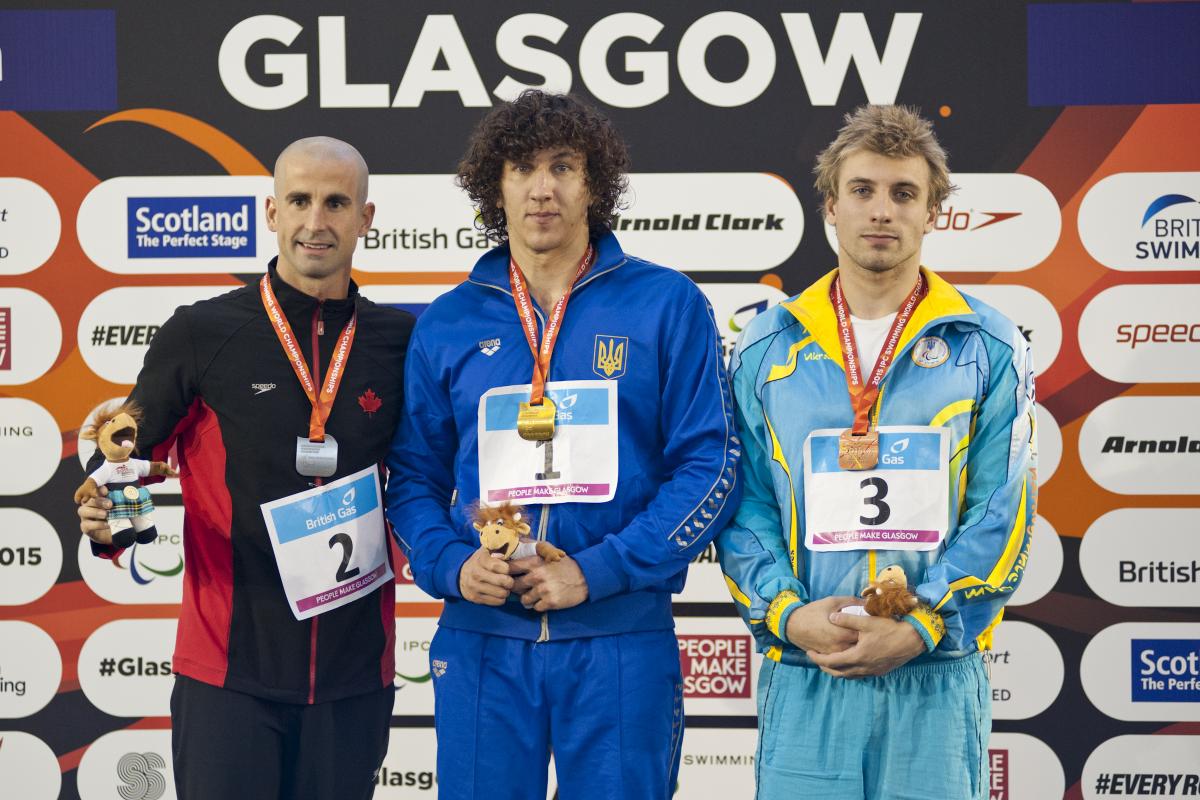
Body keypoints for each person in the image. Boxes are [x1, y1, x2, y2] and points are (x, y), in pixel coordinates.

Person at [384, 90, 740, 800]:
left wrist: (599, 570)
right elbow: (411, 478)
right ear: (495, 187)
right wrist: (452, 566)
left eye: (563, 166)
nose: (542, 188)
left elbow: (711, 465)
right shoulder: (449, 322)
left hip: (618, 638)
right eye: (521, 169)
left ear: (594, 184)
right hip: (482, 640)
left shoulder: (666, 304)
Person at [77, 137, 413, 800]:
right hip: (228, 676)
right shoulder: (202, 332)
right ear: (271, 212)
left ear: (365, 219)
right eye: (299, 200)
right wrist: (105, 518)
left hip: (353, 677)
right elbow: (126, 453)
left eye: (336, 202)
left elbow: (428, 477)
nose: (316, 220)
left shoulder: (399, 343)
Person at [717, 105, 1036, 800]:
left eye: (904, 193)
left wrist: (923, 624)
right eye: (862, 190)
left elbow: (1002, 512)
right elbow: (743, 505)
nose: (881, 211)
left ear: (934, 213)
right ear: (831, 205)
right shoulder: (767, 348)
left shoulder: (987, 346)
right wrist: (788, 615)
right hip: (809, 669)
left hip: (935, 675)